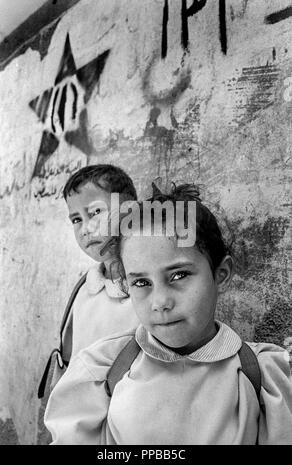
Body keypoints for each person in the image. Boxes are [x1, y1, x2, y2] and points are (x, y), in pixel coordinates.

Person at [44, 183, 292, 445]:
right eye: (141, 283)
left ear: (221, 275)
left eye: (179, 275)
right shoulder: (100, 370)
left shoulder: (264, 376)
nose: (160, 302)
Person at [47, 164, 140, 390]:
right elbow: (68, 358)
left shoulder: (148, 285)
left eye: (96, 212)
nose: (85, 228)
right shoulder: (84, 287)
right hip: (82, 415)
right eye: (76, 219)